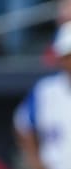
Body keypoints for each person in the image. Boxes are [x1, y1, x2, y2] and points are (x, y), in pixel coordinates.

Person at [14, 22, 71, 169]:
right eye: (68, 55)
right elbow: (23, 125)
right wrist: (35, 163)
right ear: (60, 57)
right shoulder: (45, 90)